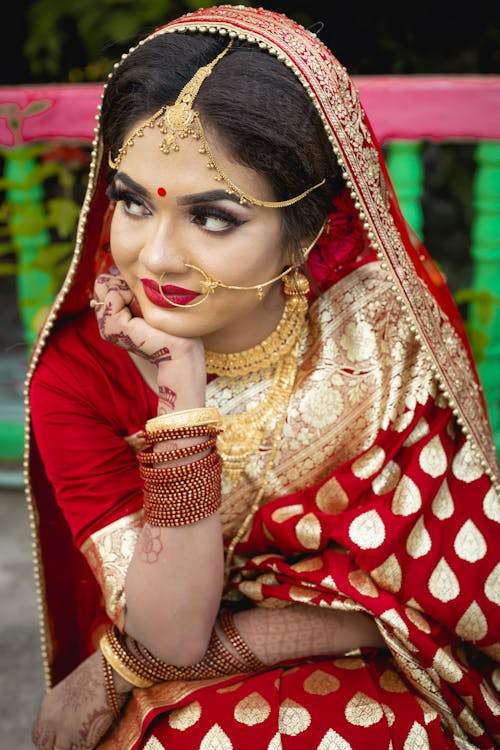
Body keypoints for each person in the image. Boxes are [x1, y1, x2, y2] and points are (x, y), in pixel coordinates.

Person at [25, 5, 500, 750]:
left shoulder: (376, 334)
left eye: (212, 218)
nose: (154, 258)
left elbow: (444, 605)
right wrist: (180, 397)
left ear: (305, 230)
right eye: (131, 203)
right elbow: (172, 637)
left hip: (401, 663)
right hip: (180, 677)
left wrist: (117, 669)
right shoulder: (83, 373)